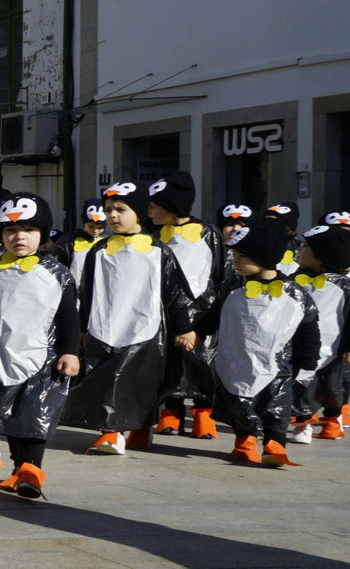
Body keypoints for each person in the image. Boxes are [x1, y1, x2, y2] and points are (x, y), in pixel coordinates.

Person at [0, 194, 80, 500]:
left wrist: (70, 350)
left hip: (43, 359)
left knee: (34, 415)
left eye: (29, 229)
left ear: (43, 234)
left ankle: (32, 472)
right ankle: (19, 467)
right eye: (10, 230)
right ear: (0, 235)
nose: (19, 236)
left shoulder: (56, 273)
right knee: (9, 416)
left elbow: (69, 316)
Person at [62, 180, 197, 455]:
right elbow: (87, 292)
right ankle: (111, 432)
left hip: (145, 329)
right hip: (104, 325)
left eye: (120, 209)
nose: (112, 215)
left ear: (139, 212)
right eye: (108, 209)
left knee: (140, 383)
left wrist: (183, 328)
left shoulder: (159, 252)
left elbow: (176, 293)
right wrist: (83, 328)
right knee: (107, 381)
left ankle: (138, 428)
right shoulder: (98, 252)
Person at [208, 218, 319, 467]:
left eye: (241, 257)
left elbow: (309, 327)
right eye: (233, 255)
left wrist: (308, 357)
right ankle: (244, 441)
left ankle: (275, 443)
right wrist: (193, 332)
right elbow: (214, 314)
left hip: (278, 363)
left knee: (276, 404)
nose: (234, 262)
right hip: (236, 358)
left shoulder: (295, 292)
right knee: (239, 403)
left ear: (263, 256)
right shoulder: (232, 286)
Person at [146, 174, 224, 440]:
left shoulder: (208, 233)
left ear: (171, 207)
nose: (150, 212)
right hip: (166, 312)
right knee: (170, 363)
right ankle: (172, 410)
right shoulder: (153, 236)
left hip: (203, 312)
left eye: (154, 206)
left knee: (202, 363)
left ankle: (204, 413)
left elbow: (220, 273)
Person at [292, 224, 350, 442]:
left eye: (306, 247)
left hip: (332, 346)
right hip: (302, 343)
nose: (299, 249)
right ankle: (302, 424)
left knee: (332, 387)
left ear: (321, 257)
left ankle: (332, 421)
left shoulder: (344, 286)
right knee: (301, 383)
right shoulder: (294, 280)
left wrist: (347, 346)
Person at [70, 199, 109, 289]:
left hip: (99, 287)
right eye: (91, 226)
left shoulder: (108, 240)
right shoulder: (70, 239)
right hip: (75, 288)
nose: (95, 231)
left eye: (100, 227)